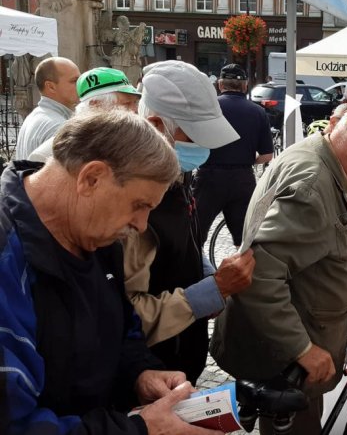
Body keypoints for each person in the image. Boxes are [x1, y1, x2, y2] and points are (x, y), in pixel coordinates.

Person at [0, 110, 220, 435]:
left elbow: (120, 332)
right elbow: (14, 424)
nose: (141, 225)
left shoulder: (96, 234)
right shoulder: (9, 257)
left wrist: (141, 374)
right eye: (139, 205)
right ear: (92, 178)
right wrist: (140, 429)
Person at [210, 103, 347, 435]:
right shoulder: (314, 183)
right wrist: (302, 348)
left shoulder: (320, 158)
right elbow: (259, 276)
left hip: (289, 351)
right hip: (287, 361)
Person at [124, 61, 255, 384]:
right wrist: (211, 291)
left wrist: (206, 272)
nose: (202, 148)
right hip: (150, 373)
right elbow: (125, 314)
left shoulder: (176, 172)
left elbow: (183, 240)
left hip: (183, 357)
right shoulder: (130, 201)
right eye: (193, 136)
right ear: (156, 126)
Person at [194, 63, 274, 247]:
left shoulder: (209, 108)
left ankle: (194, 273)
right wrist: (248, 161)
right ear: (245, 86)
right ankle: (245, 273)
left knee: (195, 234)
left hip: (209, 176)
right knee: (246, 240)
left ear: (220, 85)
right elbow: (268, 155)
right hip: (242, 179)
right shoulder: (258, 112)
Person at [27, 67, 142, 162]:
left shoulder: (131, 144)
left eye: (135, 103)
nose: (135, 110)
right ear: (96, 106)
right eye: (126, 104)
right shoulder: (51, 154)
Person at [15, 56, 80, 160]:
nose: (80, 85)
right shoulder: (58, 126)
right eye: (74, 80)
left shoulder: (35, 115)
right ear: (51, 86)